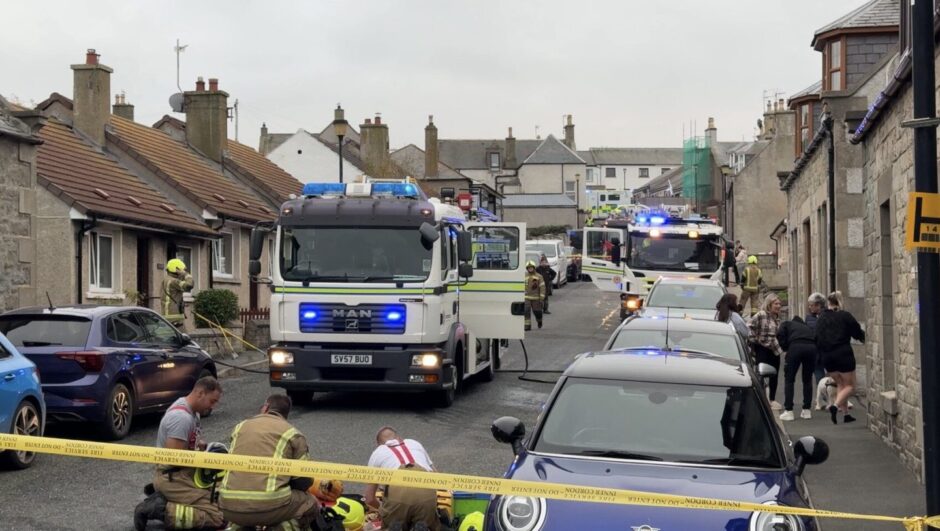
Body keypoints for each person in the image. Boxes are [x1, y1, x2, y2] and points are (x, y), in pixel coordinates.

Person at [219, 394, 321, 530]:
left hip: (228, 505)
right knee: (310, 503)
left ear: (265, 407)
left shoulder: (240, 427)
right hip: (269, 506)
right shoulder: (292, 433)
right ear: (286, 415)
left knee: (247, 515)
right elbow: (303, 481)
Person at [135, 377, 224, 531]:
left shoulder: (192, 412)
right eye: (212, 401)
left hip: (182, 474)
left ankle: (167, 498)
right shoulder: (181, 418)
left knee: (222, 501)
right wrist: (203, 459)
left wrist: (204, 447)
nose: (213, 406)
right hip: (174, 477)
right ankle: (160, 509)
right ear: (200, 393)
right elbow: (175, 458)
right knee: (217, 518)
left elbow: (190, 443)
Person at [364, 427, 440, 531]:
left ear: (379, 444)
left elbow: (369, 498)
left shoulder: (378, 452)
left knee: (392, 522)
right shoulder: (414, 443)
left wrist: (384, 510)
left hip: (397, 495)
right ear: (399, 438)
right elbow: (437, 477)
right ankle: (422, 527)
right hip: (425, 490)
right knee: (429, 524)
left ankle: (396, 526)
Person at [816, 291, 865, 424]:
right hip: (843, 355)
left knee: (840, 384)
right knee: (850, 386)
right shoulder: (844, 316)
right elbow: (857, 331)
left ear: (828, 303)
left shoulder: (821, 318)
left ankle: (846, 415)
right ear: (840, 302)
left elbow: (817, 338)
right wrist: (864, 338)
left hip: (827, 357)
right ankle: (835, 406)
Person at [777, 314, 817, 421]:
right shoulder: (807, 327)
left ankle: (789, 411)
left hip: (795, 346)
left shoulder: (787, 323)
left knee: (789, 379)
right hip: (811, 347)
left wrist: (785, 348)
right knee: (807, 379)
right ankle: (807, 410)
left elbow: (780, 333)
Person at [748, 294, 785, 410]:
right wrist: (756, 341)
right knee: (762, 375)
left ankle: (772, 399)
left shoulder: (777, 317)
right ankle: (762, 399)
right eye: (776, 304)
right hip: (762, 349)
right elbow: (748, 327)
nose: (778, 306)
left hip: (774, 349)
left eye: (779, 304)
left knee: (774, 375)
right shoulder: (761, 315)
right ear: (769, 304)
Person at [162, 258, 194, 329]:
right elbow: (189, 285)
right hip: (174, 318)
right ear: (176, 269)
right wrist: (186, 274)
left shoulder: (167, 279)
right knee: (183, 338)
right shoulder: (173, 281)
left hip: (169, 316)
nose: (183, 271)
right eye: (182, 269)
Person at [805, 293, 828, 387]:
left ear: (818, 305)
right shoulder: (809, 318)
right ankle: (823, 398)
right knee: (819, 377)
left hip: (827, 351)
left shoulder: (828, 315)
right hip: (815, 352)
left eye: (811, 305)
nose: (810, 307)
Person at [524, 260, 545, 331]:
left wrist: (542, 297)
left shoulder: (539, 276)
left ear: (534, 268)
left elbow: (542, 287)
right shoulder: (524, 276)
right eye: (528, 268)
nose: (530, 269)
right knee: (526, 311)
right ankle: (527, 325)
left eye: (531, 267)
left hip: (536, 298)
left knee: (537, 312)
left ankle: (539, 321)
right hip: (526, 297)